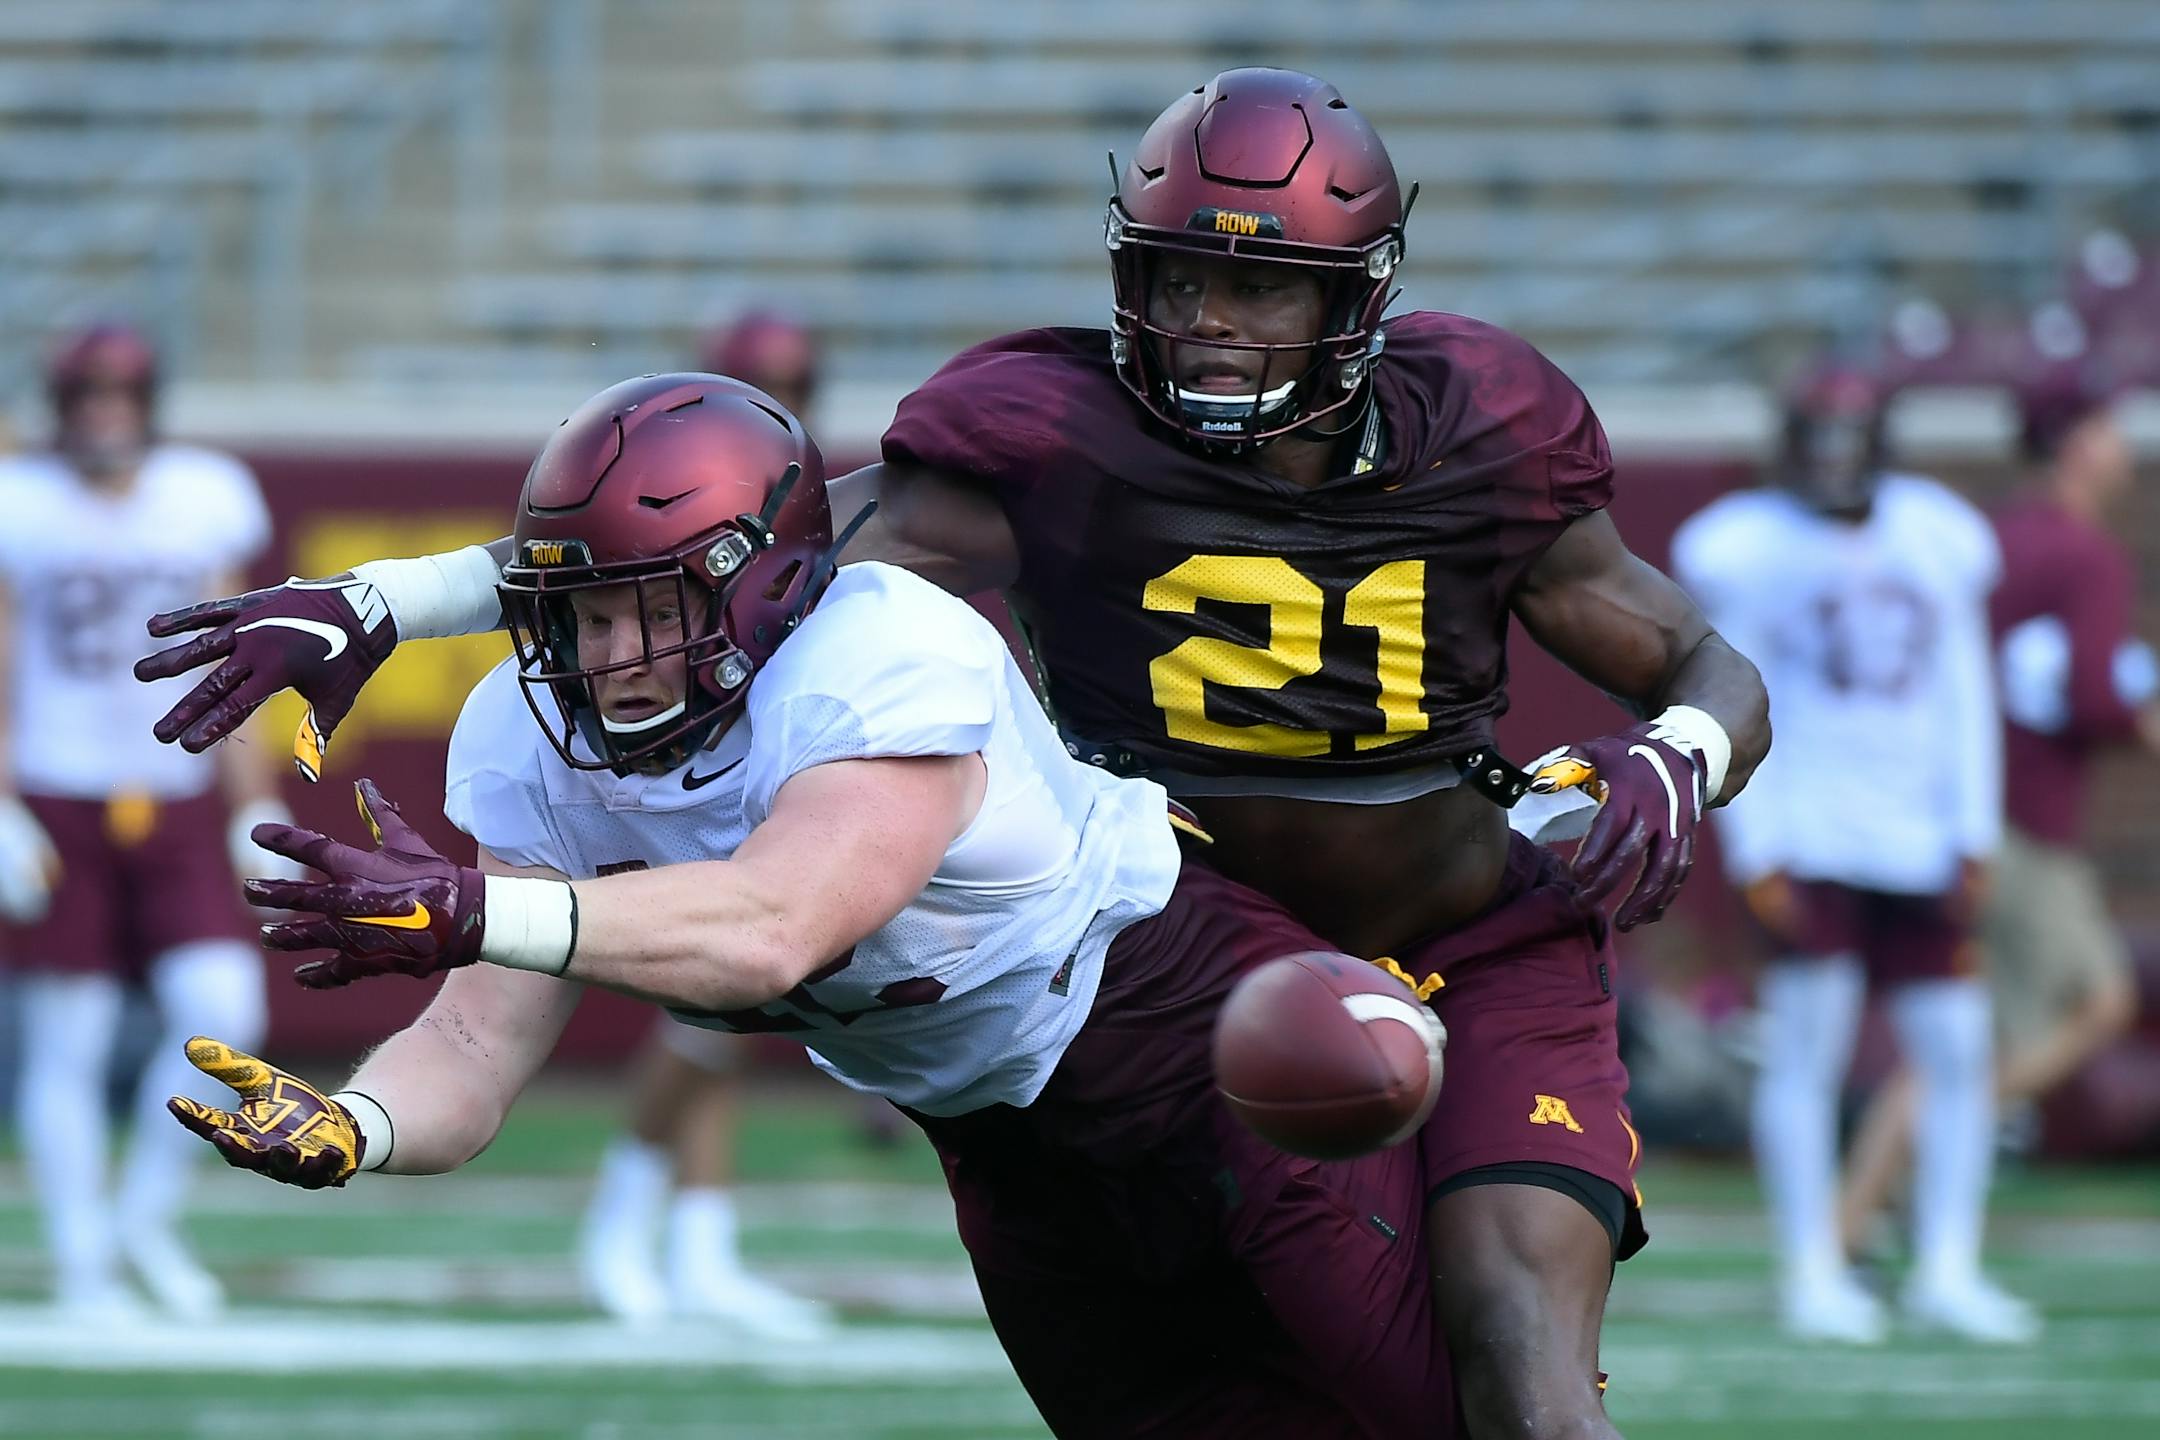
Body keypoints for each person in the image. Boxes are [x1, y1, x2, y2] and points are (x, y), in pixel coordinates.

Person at [138, 70, 1771, 1436]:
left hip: (1373, 953)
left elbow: (771, 915)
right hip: (1061, 1074)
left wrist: (1680, 754)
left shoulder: (1462, 427)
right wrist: (388, 601)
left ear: (1358, 297)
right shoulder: (1045, 435)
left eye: (1258, 285)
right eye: (1178, 278)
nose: (1208, 322)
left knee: (1514, 1393)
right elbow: (707, 559)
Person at [182, 371, 1474, 1437]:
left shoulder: (878, 651)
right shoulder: (531, 744)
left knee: (1427, 1409)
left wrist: (475, 912)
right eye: (581, 614)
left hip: (1196, 1038)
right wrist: (354, 1125)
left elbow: (774, 929)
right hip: (1000, 1138)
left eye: (652, 609)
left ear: (763, 584)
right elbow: (475, 1043)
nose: (612, 656)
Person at [1673, 366, 2035, 1346]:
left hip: (1921, 833)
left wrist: (1974, 829)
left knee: (1957, 1051)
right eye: (1819, 438)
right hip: (1814, 830)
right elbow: (1729, 695)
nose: (1834, 460)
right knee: (1806, 1056)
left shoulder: (1937, 533)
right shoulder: (1744, 545)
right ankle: (1812, 1268)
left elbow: (1964, 685)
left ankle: (1950, 1268)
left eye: (1850, 438)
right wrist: (1756, 846)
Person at [0, 323, 294, 1320]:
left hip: (173, 790)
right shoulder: (23, 502)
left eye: (120, 396)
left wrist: (255, 803)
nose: (104, 416)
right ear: (60, 406)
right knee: (68, 1040)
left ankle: (142, 1218)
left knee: (226, 1013)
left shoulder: (202, 494)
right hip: (57, 791)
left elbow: (236, 658)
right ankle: (82, 1262)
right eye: (88, 397)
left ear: (149, 403)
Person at [1835, 365, 2148, 1261]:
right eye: (2108, 430)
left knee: (1967, 1034)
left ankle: (1869, 1207)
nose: (2123, 449)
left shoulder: (1991, 540)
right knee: (2088, 1005)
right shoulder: (2085, 553)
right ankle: (1891, 1187)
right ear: (2077, 443)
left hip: (1961, 810)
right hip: (2027, 821)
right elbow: (2094, 697)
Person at [577, 311, 832, 1330]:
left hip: (771, 762)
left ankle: (697, 1240)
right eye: (768, 386)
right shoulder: (663, 500)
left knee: (728, 1024)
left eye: (796, 386)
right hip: (682, 761)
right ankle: (623, 1222)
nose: (788, 406)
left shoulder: (809, 495)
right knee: (706, 1014)